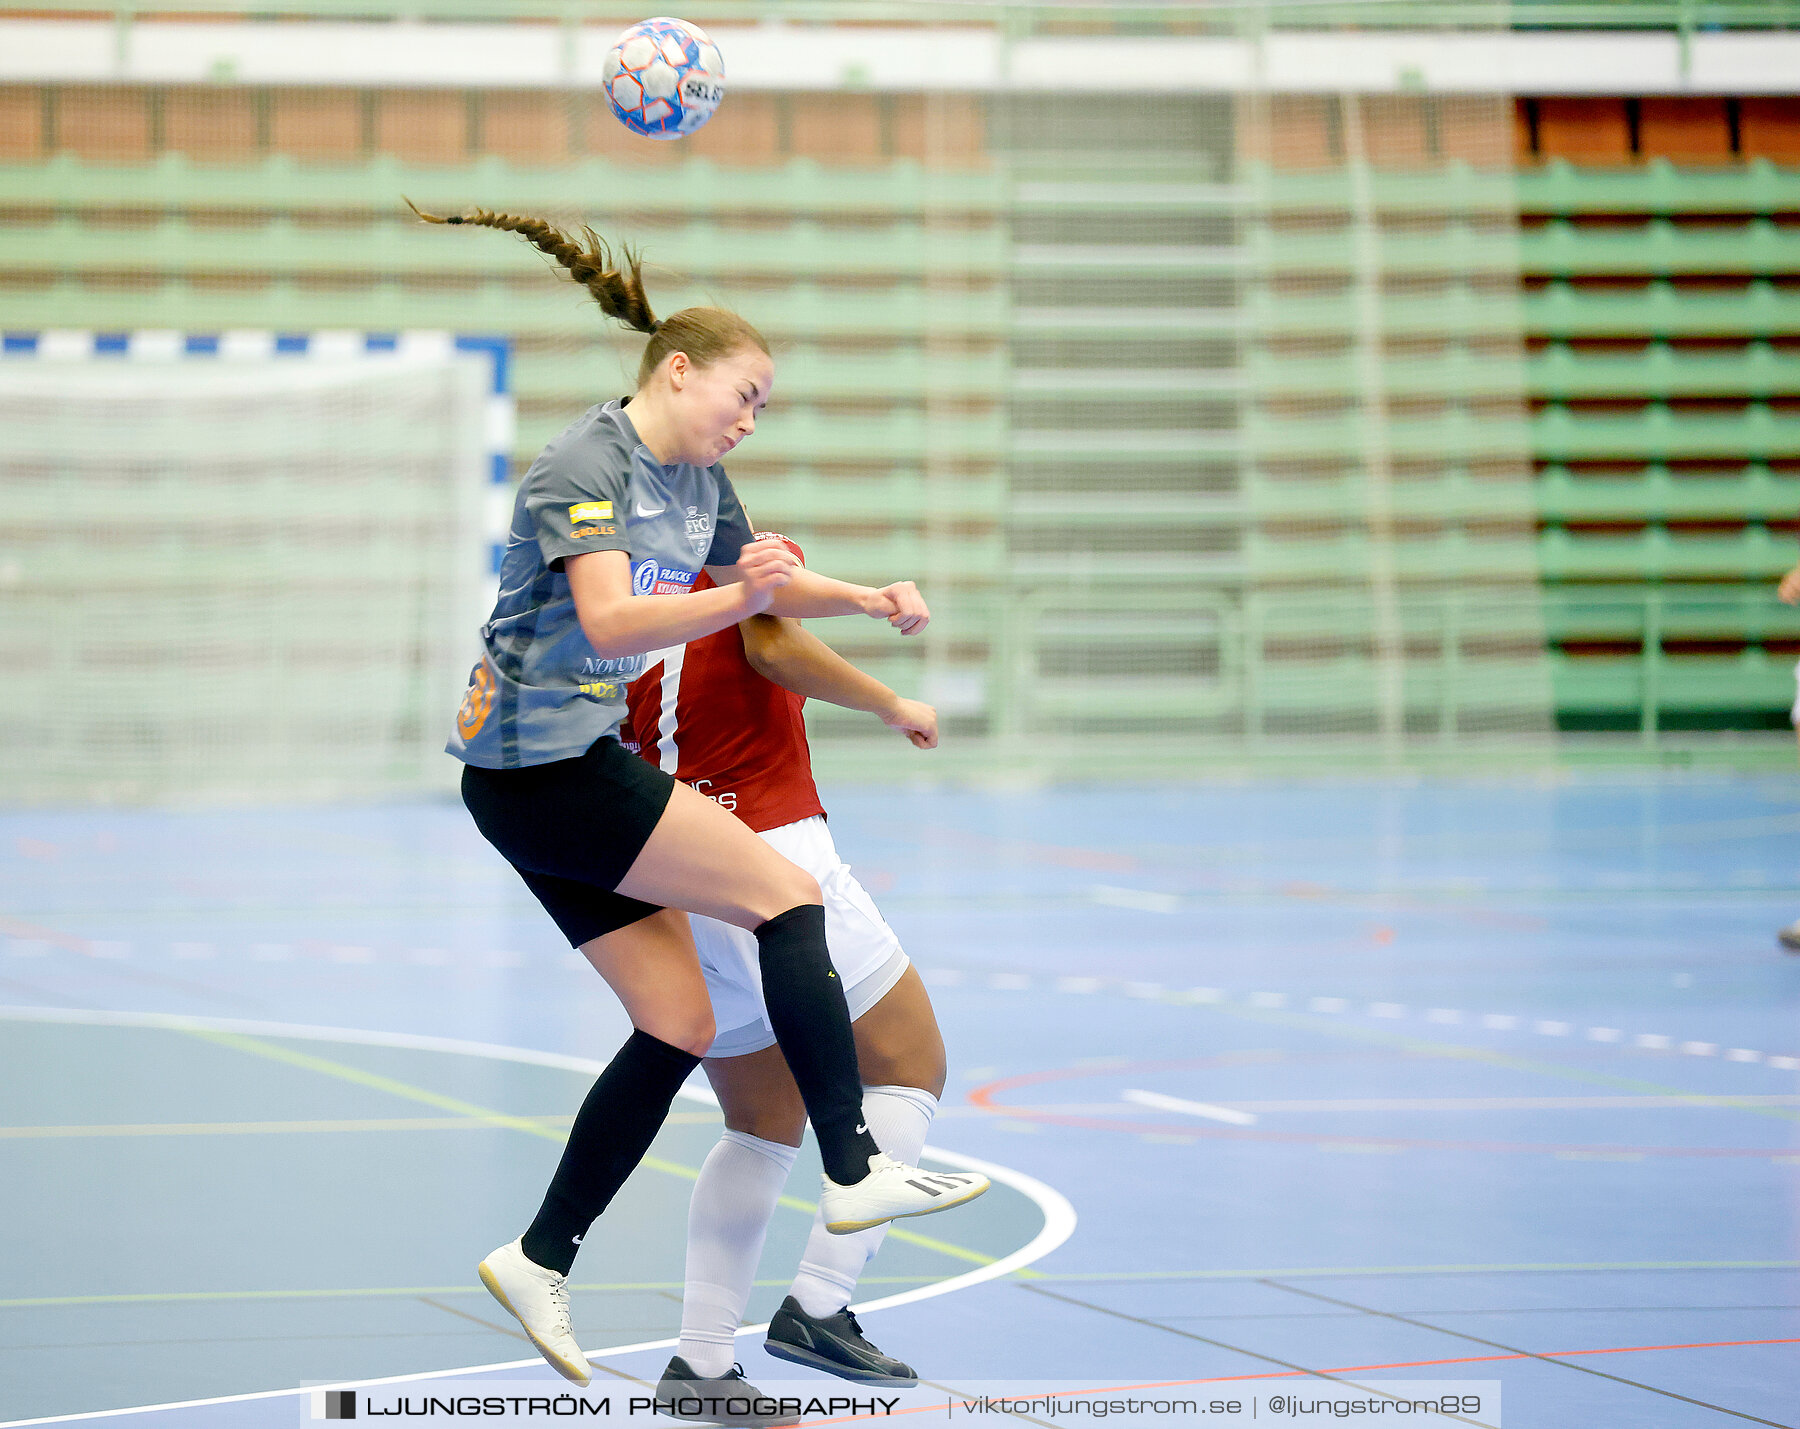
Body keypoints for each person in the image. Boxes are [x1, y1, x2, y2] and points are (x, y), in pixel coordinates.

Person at [414, 202, 988, 1387]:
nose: (749, 419)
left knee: (677, 1021)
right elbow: (620, 617)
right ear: (679, 373)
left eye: (762, 408)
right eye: (745, 395)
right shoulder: (588, 463)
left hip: (550, 774)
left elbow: (760, 588)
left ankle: (540, 1255)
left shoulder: (692, 480)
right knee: (783, 896)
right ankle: (853, 1166)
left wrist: (869, 596)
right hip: (541, 767)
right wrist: (742, 603)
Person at [615, 536, 956, 1416]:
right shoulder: (732, 545)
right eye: (743, 398)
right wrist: (889, 699)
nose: (744, 420)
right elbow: (771, 642)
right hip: (766, 845)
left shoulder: (606, 580)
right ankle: (820, 1301)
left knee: (761, 1121)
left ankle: (700, 1365)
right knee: (911, 1058)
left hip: (670, 864)